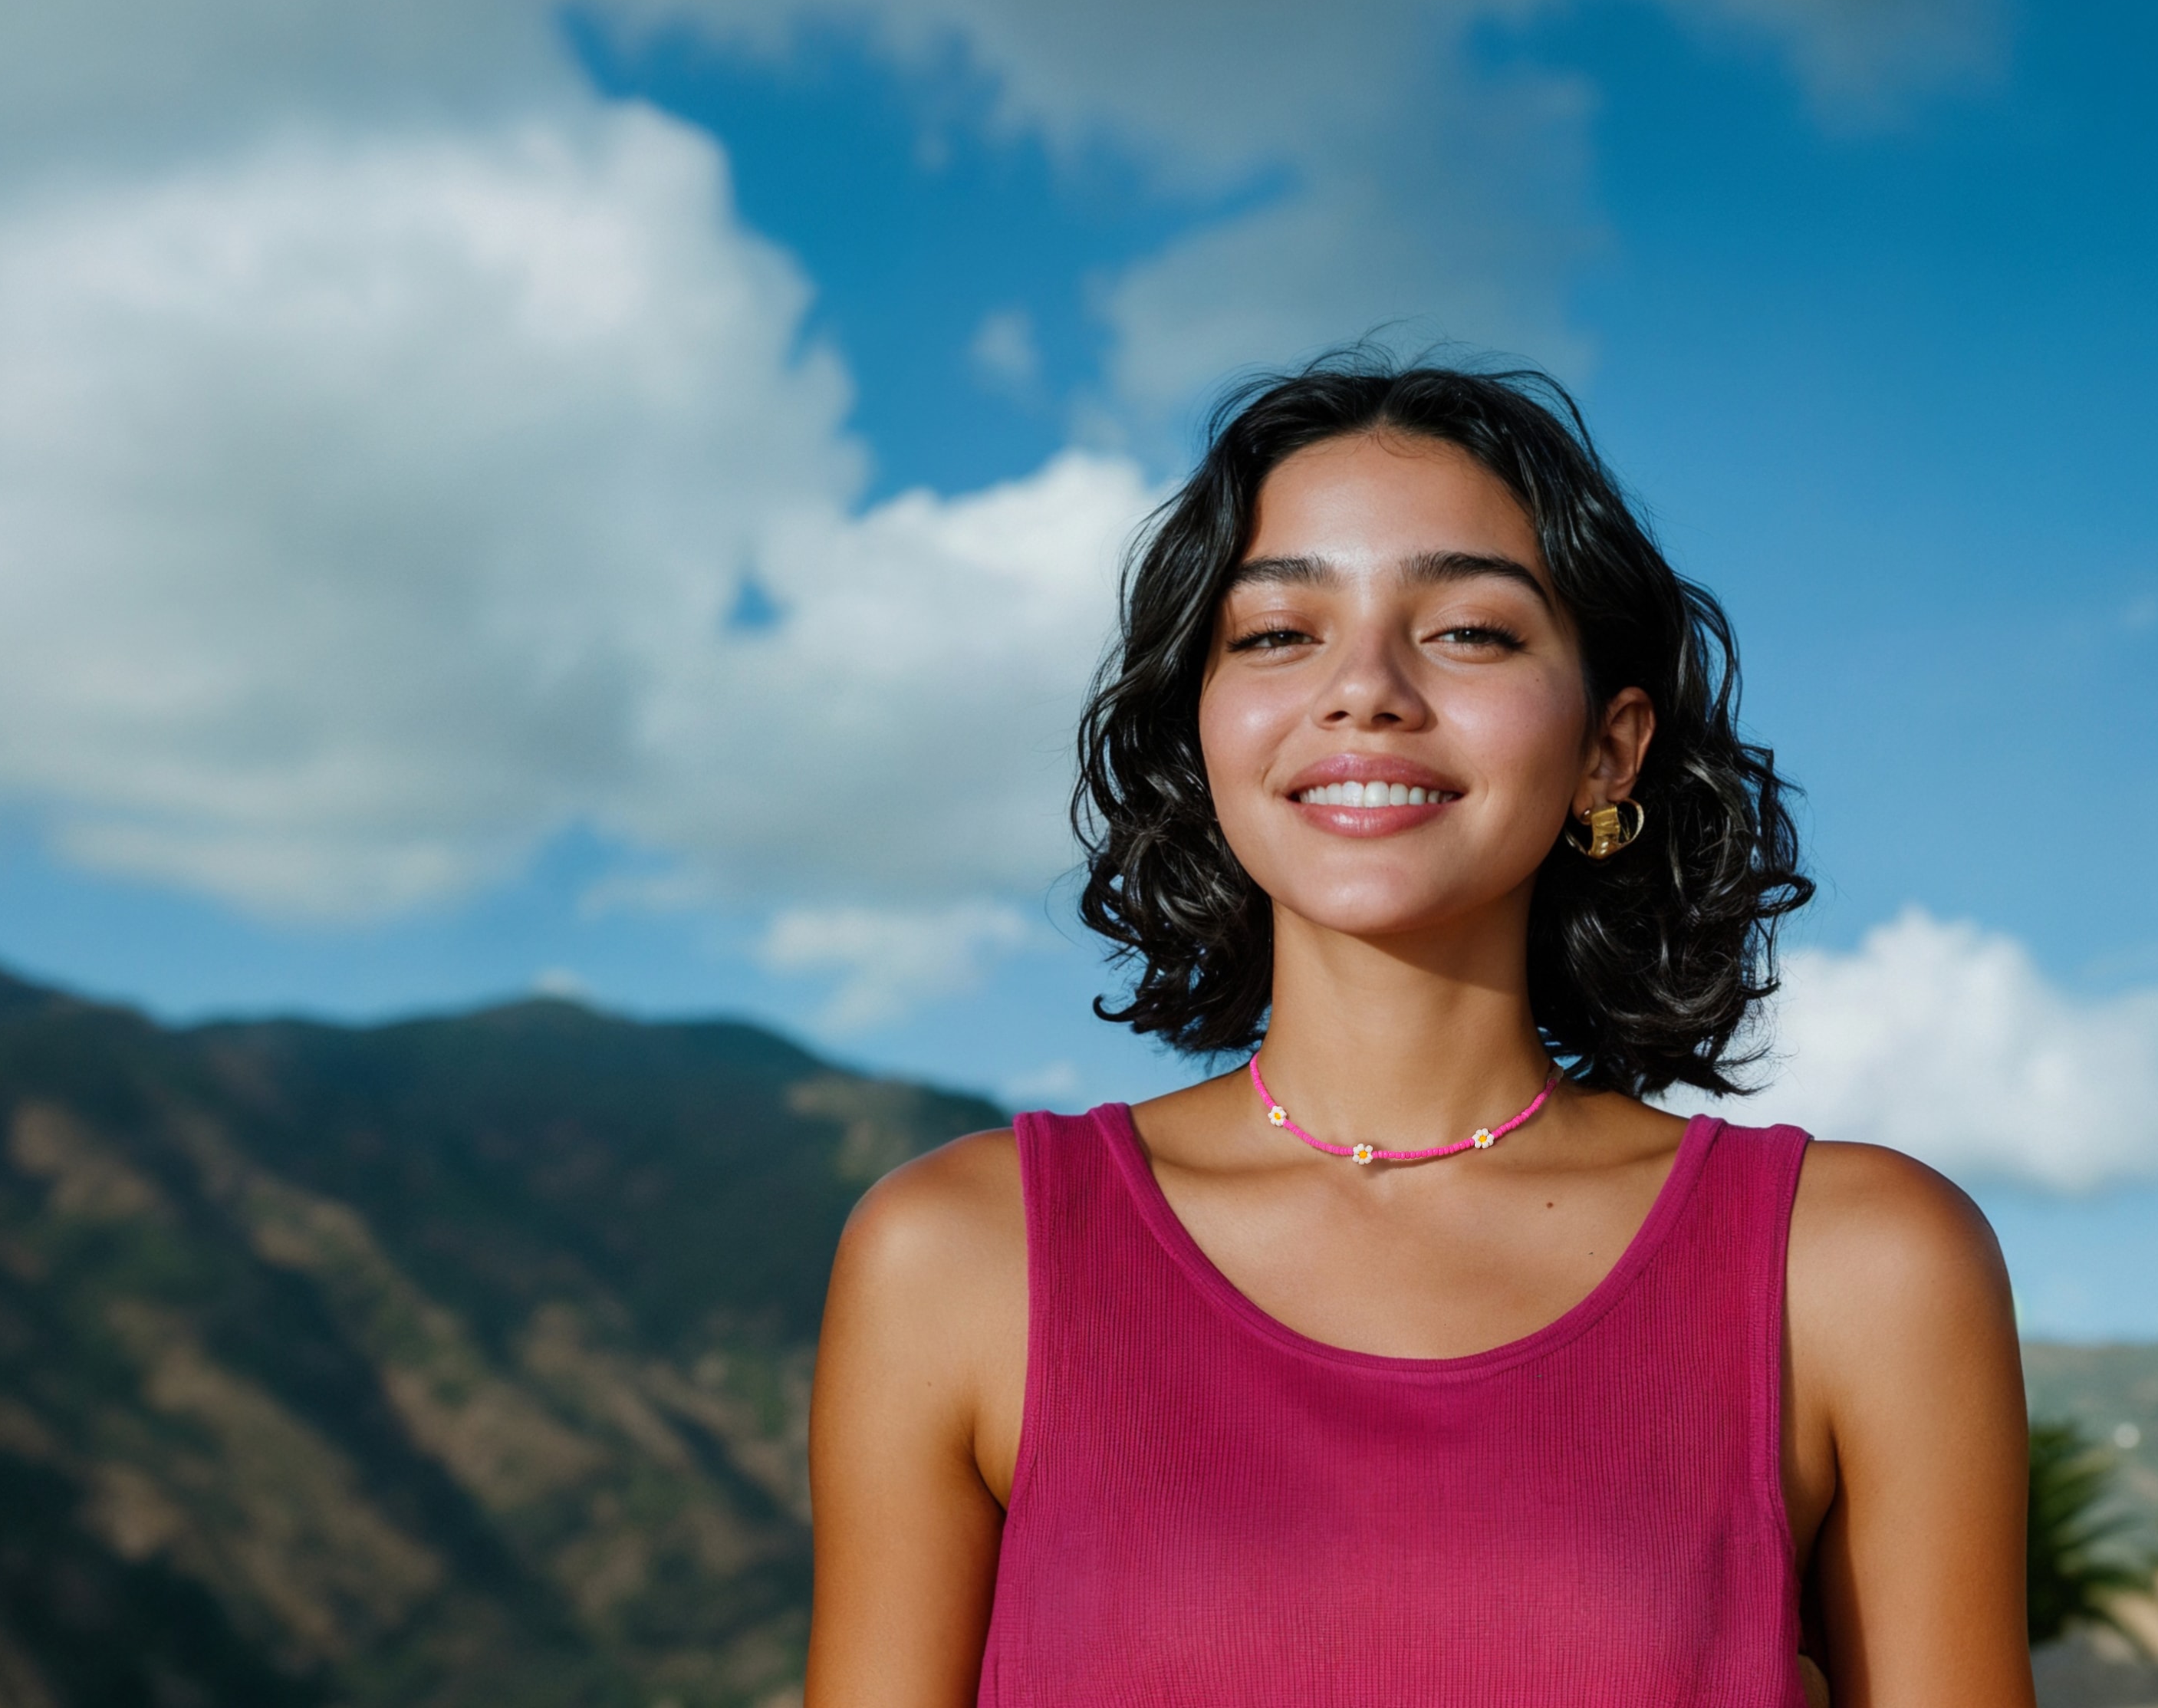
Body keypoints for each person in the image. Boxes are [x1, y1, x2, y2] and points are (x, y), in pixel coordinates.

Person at [805, 350, 2032, 1707]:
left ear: (1609, 751)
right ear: (1202, 733)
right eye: (1277, 634)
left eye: (1470, 631)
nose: (1367, 687)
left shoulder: (1859, 1267)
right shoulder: (959, 1257)